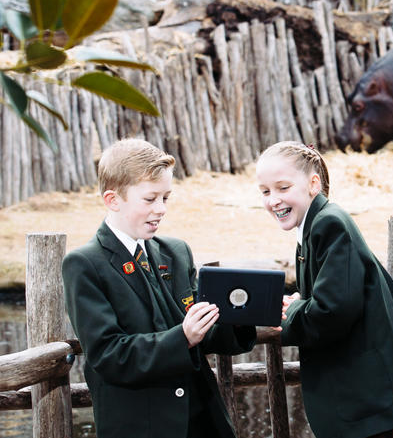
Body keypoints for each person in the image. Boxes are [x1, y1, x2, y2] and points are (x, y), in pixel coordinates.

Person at [62, 138, 256, 438]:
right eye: (150, 199)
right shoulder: (84, 264)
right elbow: (109, 355)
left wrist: (243, 314)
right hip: (141, 425)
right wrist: (183, 337)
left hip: (203, 420)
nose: (161, 208)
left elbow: (203, 334)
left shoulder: (176, 252)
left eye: (166, 198)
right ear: (113, 200)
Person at [256, 141, 393, 438]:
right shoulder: (313, 226)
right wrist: (303, 302)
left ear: (313, 184)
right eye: (265, 191)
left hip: (374, 401)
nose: (273, 200)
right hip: (371, 401)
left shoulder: (328, 224)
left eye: (283, 188)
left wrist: (293, 311)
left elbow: (333, 311)